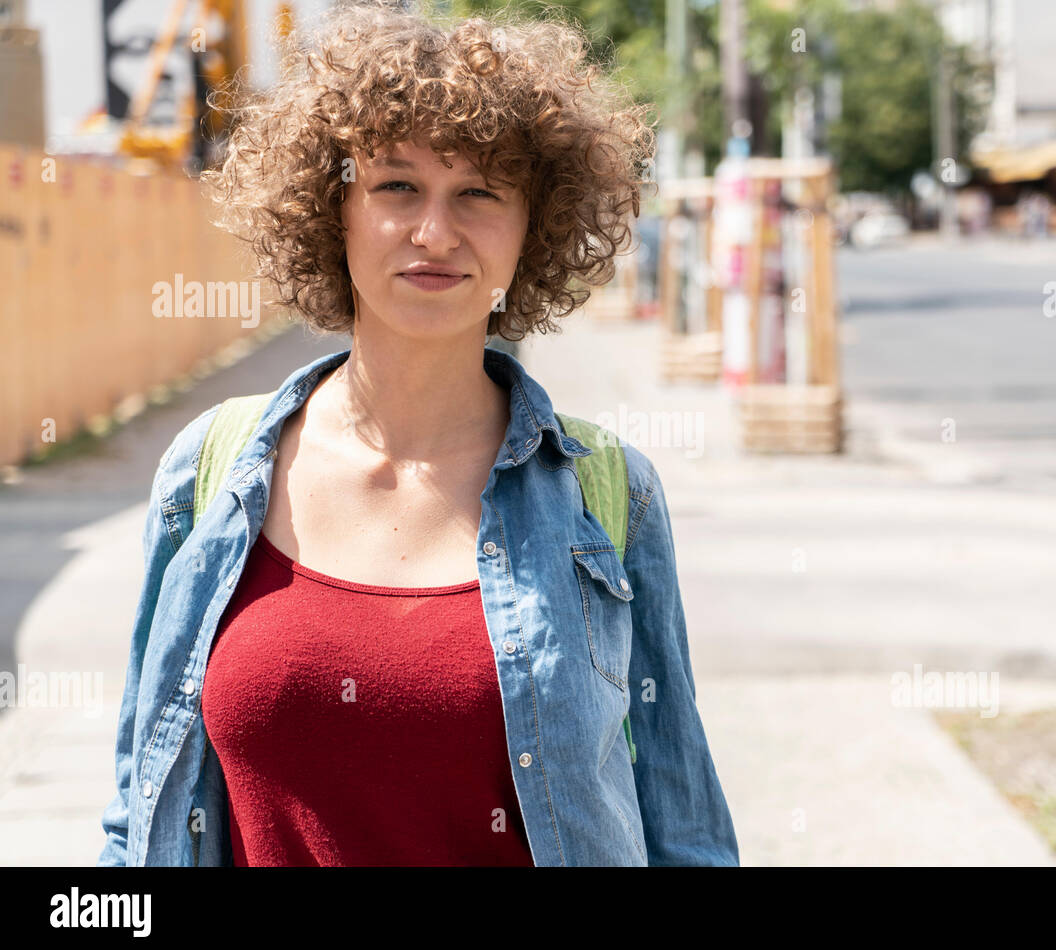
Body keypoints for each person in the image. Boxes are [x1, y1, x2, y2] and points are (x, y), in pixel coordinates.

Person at [97, 0, 739, 867]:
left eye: (479, 192)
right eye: (395, 185)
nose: (434, 232)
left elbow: (684, 831)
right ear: (334, 211)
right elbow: (135, 818)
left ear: (531, 229)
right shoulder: (207, 473)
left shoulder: (609, 490)